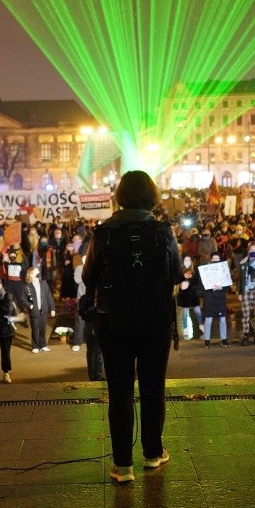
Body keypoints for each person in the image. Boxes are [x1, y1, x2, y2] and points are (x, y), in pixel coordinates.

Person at [83, 170, 181, 483]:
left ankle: (122, 465)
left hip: (114, 320)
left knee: (120, 390)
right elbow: (176, 272)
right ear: (152, 196)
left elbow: (88, 276)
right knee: (153, 386)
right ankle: (153, 453)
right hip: (155, 318)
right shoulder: (163, 231)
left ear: (120, 196)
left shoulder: (104, 232)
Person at [19, 266, 56, 353]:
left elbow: (49, 296)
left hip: (44, 310)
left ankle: (43, 345)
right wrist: (29, 305)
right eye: (36, 270)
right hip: (34, 311)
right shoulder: (27, 286)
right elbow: (23, 298)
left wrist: (52, 308)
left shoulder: (43, 283)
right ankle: (35, 346)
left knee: (43, 329)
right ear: (31, 274)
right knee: (35, 329)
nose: (38, 271)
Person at [201, 253, 230, 348]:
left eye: (218, 258)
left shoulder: (224, 270)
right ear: (211, 259)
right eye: (214, 258)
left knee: (222, 319)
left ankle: (224, 339)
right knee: (208, 319)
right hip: (209, 298)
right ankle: (207, 340)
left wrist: (221, 287)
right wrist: (209, 288)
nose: (216, 260)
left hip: (220, 298)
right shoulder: (206, 270)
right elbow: (201, 286)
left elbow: (227, 285)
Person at [176, 255, 203, 340]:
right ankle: (185, 329)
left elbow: (197, 280)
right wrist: (183, 277)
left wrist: (191, 278)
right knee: (184, 313)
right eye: (185, 260)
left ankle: (201, 325)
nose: (187, 262)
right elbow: (177, 280)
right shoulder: (181, 270)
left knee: (198, 311)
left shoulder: (195, 270)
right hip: (184, 296)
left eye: (188, 260)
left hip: (193, 295)